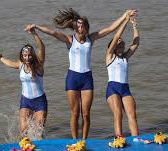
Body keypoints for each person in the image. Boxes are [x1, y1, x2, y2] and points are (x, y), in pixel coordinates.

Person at [28, 8, 137, 139]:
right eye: (78, 25)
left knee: (85, 114)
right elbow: (53, 33)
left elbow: (109, 29)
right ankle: (75, 141)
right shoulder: (69, 40)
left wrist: (124, 17)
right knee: (74, 113)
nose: (80, 27)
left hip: (87, 79)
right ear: (75, 27)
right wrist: (36, 27)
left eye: (82, 25)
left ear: (86, 27)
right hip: (72, 78)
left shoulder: (91, 38)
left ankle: (84, 140)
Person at [0, 24, 46, 139]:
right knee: (23, 129)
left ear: (32, 56)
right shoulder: (20, 65)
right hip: (25, 100)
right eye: (25, 55)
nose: (27, 57)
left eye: (29, 55)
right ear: (22, 56)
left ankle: (39, 150)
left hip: (40, 101)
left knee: (39, 130)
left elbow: (42, 48)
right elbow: (10, 63)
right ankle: (23, 149)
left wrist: (34, 33)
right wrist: (0, 58)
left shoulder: (38, 65)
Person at [105, 15, 139, 136]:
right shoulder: (110, 57)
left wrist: (134, 25)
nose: (121, 45)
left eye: (122, 43)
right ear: (112, 47)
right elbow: (116, 37)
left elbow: (136, 43)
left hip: (125, 89)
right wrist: (125, 20)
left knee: (132, 114)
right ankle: (118, 138)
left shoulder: (125, 58)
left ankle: (136, 139)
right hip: (112, 88)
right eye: (118, 44)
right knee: (118, 113)